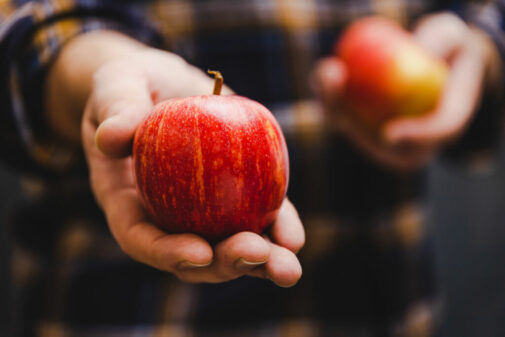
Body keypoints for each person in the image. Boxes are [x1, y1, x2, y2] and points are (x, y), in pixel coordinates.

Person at [0, 1, 503, 336]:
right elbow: (23, 30)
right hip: (127, 312)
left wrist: (479, 48)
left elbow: (479, 14)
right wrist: (91, 70)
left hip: (375, 299)